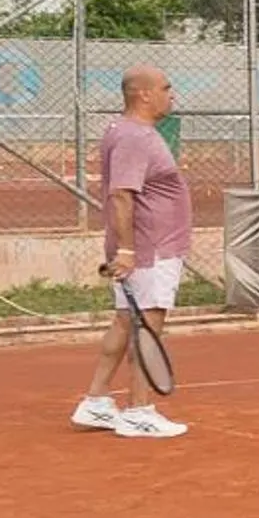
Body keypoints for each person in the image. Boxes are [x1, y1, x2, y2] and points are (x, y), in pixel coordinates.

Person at [75, 66, 191, 439]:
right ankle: (139, 409)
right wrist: (127, 250)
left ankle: (96, 401)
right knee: (147, 326)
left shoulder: (123, 131)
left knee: (126, 321)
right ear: (143, 94)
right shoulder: (134, 137)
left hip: (144, 246)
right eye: (166, 87)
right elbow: (121, 194)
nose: (171, 94)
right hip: (148, 248)